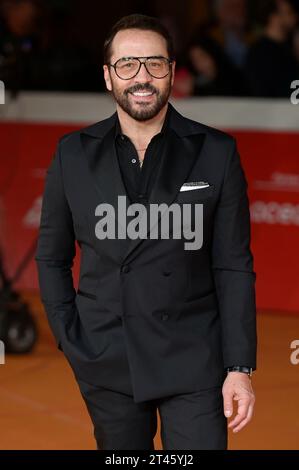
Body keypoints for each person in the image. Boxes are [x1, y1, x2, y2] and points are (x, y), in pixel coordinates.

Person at [35, 14, 257, 450]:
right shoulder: (72, 155)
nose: (142, 77)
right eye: (128, 64)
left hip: (194, 354)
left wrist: (239, 367)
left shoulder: (217, 152)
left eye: (154, 64)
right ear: (107, 75)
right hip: (106, 356)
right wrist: (70, 336)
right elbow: (51, 257)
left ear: (173, 71)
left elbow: (233, 265)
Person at [246, 0, 298, 97]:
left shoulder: (290, 46)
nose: (294, 17)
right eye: (289, 12)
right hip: (276, 108)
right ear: (274, 17)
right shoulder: (259, 53)